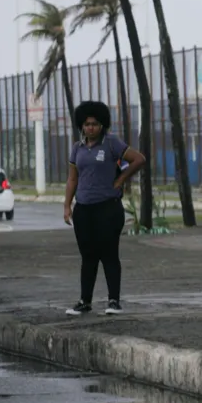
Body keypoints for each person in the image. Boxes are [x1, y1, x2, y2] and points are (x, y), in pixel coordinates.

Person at [63, 100, 146, 316]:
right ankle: (84, 301)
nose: (91, 128)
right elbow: (72, 179)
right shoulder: (77, 148)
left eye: (95, 124)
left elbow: (138, 159)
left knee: (109, 254)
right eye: (87, 124)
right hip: (84, 209)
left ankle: (114, 301)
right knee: (88, 256)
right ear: (81, 125)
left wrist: (121, 181)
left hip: (108, 209)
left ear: (102, 125)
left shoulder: (111, 143)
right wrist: (67, 205)